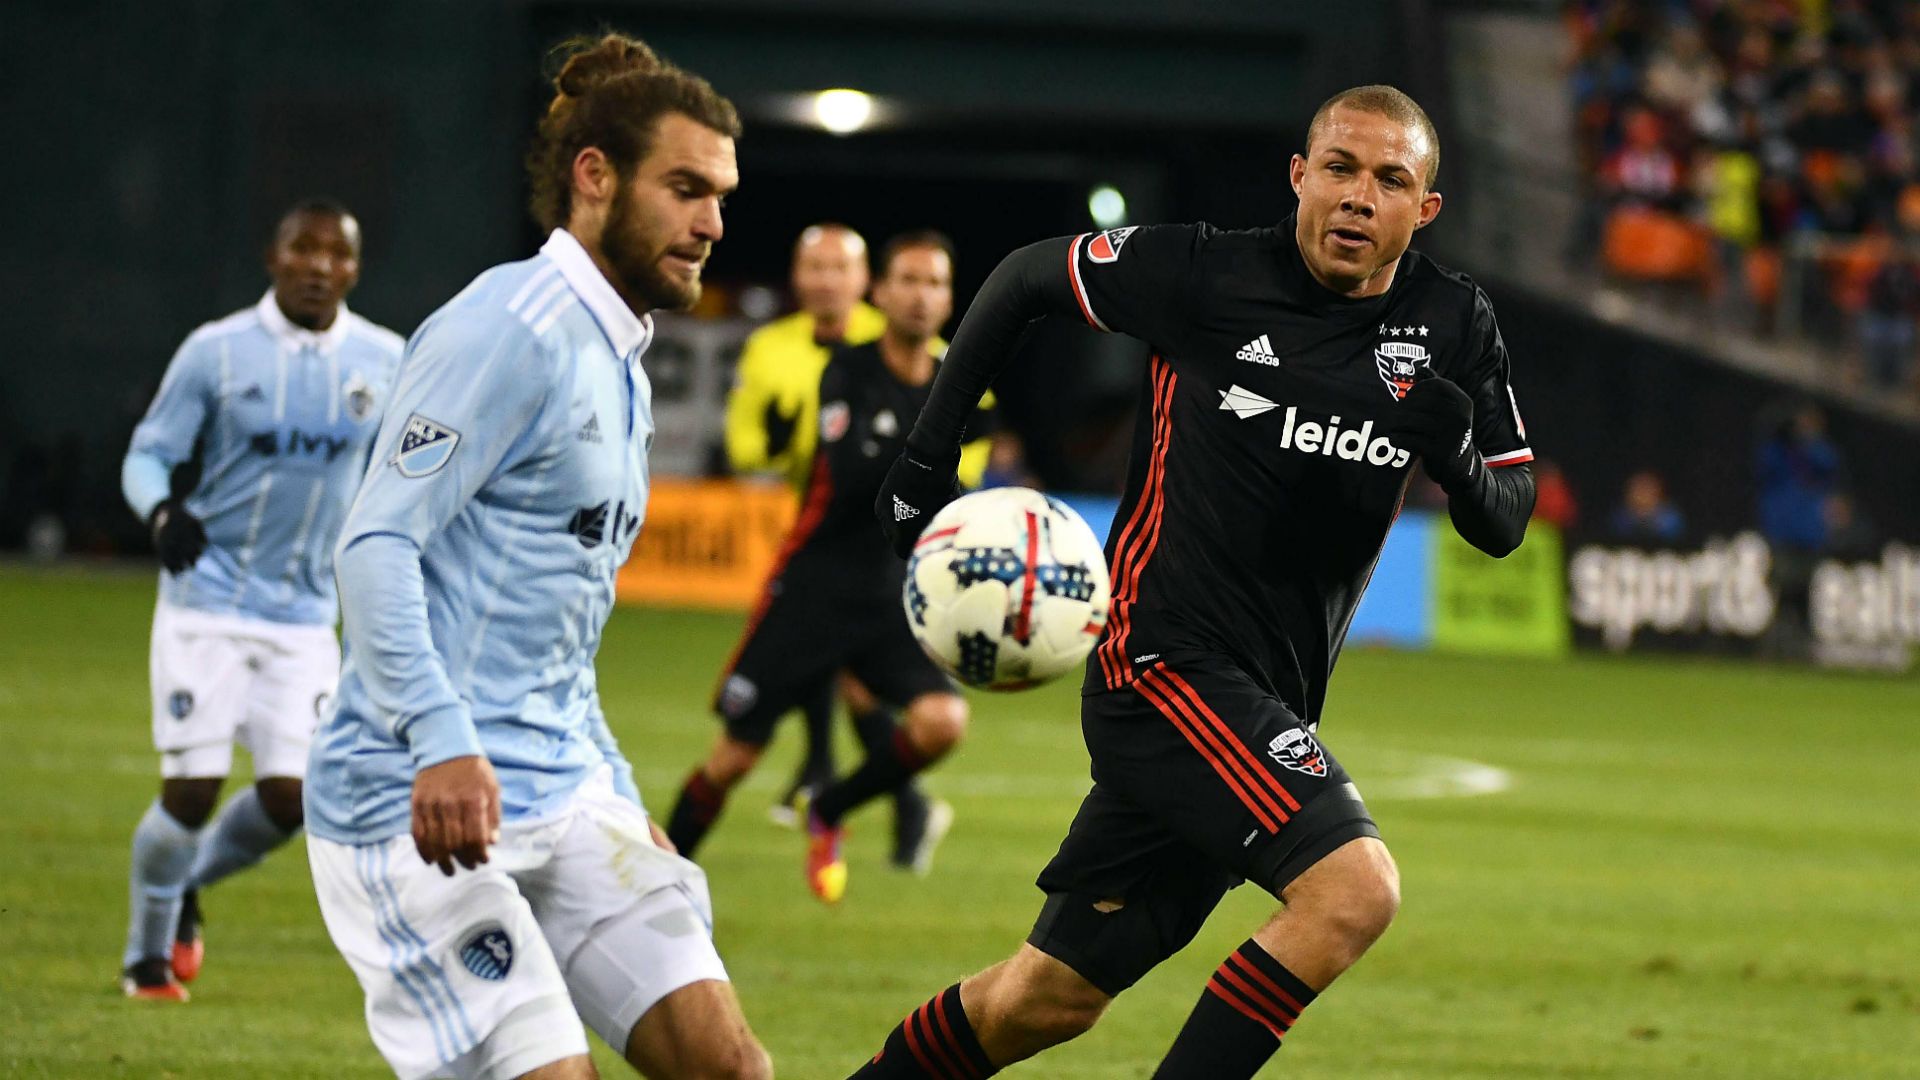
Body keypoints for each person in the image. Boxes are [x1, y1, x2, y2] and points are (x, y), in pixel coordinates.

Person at [860, 85, 1536, 1078]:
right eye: (1340, 168)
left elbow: (1507, 519)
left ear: (1424, 208)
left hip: (1263, 701)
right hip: (1160, 664)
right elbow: (1019, 280)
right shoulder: (1205, 274)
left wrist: (1459, 462)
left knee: (1042, 1001)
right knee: (1353, 892)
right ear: (1299, 177)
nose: (1359, 196)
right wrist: (928, 460)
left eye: (1391, 179)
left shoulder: (1452, 321)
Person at [303, 34, 770, 1079]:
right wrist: (439, 740)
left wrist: (611, 784)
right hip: (413, 795)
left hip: (563, 791)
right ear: (593, 176)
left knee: (729, 1066)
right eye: (687, 189)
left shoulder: (623, 363)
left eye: (723, 195)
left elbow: (563, 626)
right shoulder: (506, 329)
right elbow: (376, 545)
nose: (712, 225)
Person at [117, 200, 403, 1002]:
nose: (319, 266)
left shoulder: (387, 359)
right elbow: (149, 454)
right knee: (193, 789)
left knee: (294, 798)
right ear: (271, 258)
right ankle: (145, 960)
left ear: (355, 267)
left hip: (309, 614)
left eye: (336, 253)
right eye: (302, 249)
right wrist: (163, 510)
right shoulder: (216, 352)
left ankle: (184, 890)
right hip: (206, 601)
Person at [668, 231, 992, 903]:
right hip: (812, 589)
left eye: (934, 283)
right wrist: (928, 474)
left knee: (942, 723)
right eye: (907, 280)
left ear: (950, 299)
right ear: (880, 292)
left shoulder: (961, 389)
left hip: (888, 596)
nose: (920, 295)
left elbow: (957, 502)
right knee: (733, 759)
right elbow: (853, 482)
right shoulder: (846, 368)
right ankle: (660, 881)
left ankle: (831, 807)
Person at [722, 224, 897, 827]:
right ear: (796, 277)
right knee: (839, 661)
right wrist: (770, 447)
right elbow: (744, 445)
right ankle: (869, 790)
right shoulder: (769, 346)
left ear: (864, 280)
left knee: (840, 655)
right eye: (814, 268)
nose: (825, 281)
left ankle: (839, 776)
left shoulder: (896, 339)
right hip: (815, 513)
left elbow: (966, 429)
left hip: (887, 525)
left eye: (838, 268)